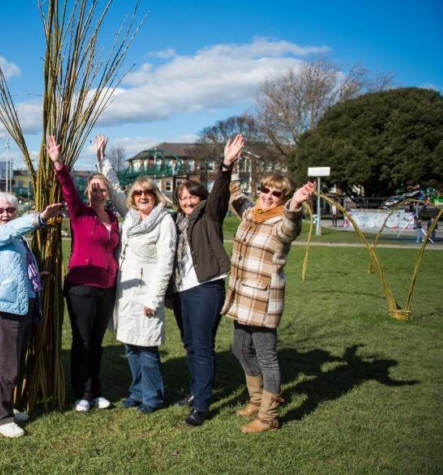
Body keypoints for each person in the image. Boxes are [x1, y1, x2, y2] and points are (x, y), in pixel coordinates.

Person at [222, 175, 316, 433]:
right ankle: (256, 399)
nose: (268, 195)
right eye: (265, 189)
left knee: (267, 357)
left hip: (263, 299)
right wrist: (231, 169)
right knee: (241, 349)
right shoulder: (251, 213)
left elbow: (291, 226)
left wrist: (295, 204)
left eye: (276, 193)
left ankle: (269, 417)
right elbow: (236, 198)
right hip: (242, 295)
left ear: (283, 199)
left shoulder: (280, 221)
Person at [95, 135, 175, 415]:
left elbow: (166, 262)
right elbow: (114, 188)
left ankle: (153, 396)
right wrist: (103, 159)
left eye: (147, 194)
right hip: (126, 290)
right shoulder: (130, 216)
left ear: (155, 196)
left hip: (147, 290)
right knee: (131, 344)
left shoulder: (164, 221)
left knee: (148, 347)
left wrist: (154, 298)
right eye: (138, 194)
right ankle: (137, 391)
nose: (142, 198)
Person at [169, 134, 245, 426]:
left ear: (201, 198)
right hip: (181, 290)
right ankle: (194, 392)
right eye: (183, 198)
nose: (187, 201)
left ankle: (201, 405)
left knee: (202, 346)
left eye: (192, 197)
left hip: (205, 288)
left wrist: (225, 165)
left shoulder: (209, 215)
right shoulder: (175, 221)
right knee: (189, 344)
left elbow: (219, 195)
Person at [0, 192, 62, 437]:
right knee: (6, 366)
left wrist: (35, 278)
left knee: (14, 362)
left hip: (20, 305)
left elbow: (15, 268)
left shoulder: (18, 240)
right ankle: (2, 419)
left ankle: (6, 410)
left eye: (10, 210)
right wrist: (39, 218)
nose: (5, 214)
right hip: (2, 309)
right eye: (0, 210)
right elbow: (8, 231)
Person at [46, 135, 120, 412]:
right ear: (87, 192)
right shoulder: (80, 213)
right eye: (93, 189)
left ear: (108, 192)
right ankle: (82, 393)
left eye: (101, 188)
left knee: (97, 341)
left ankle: (95, 390)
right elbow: (67, 189)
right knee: (83, 340)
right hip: (82, 286)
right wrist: (58, 163)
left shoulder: (113, 219)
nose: (97, 192)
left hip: (107, 287)